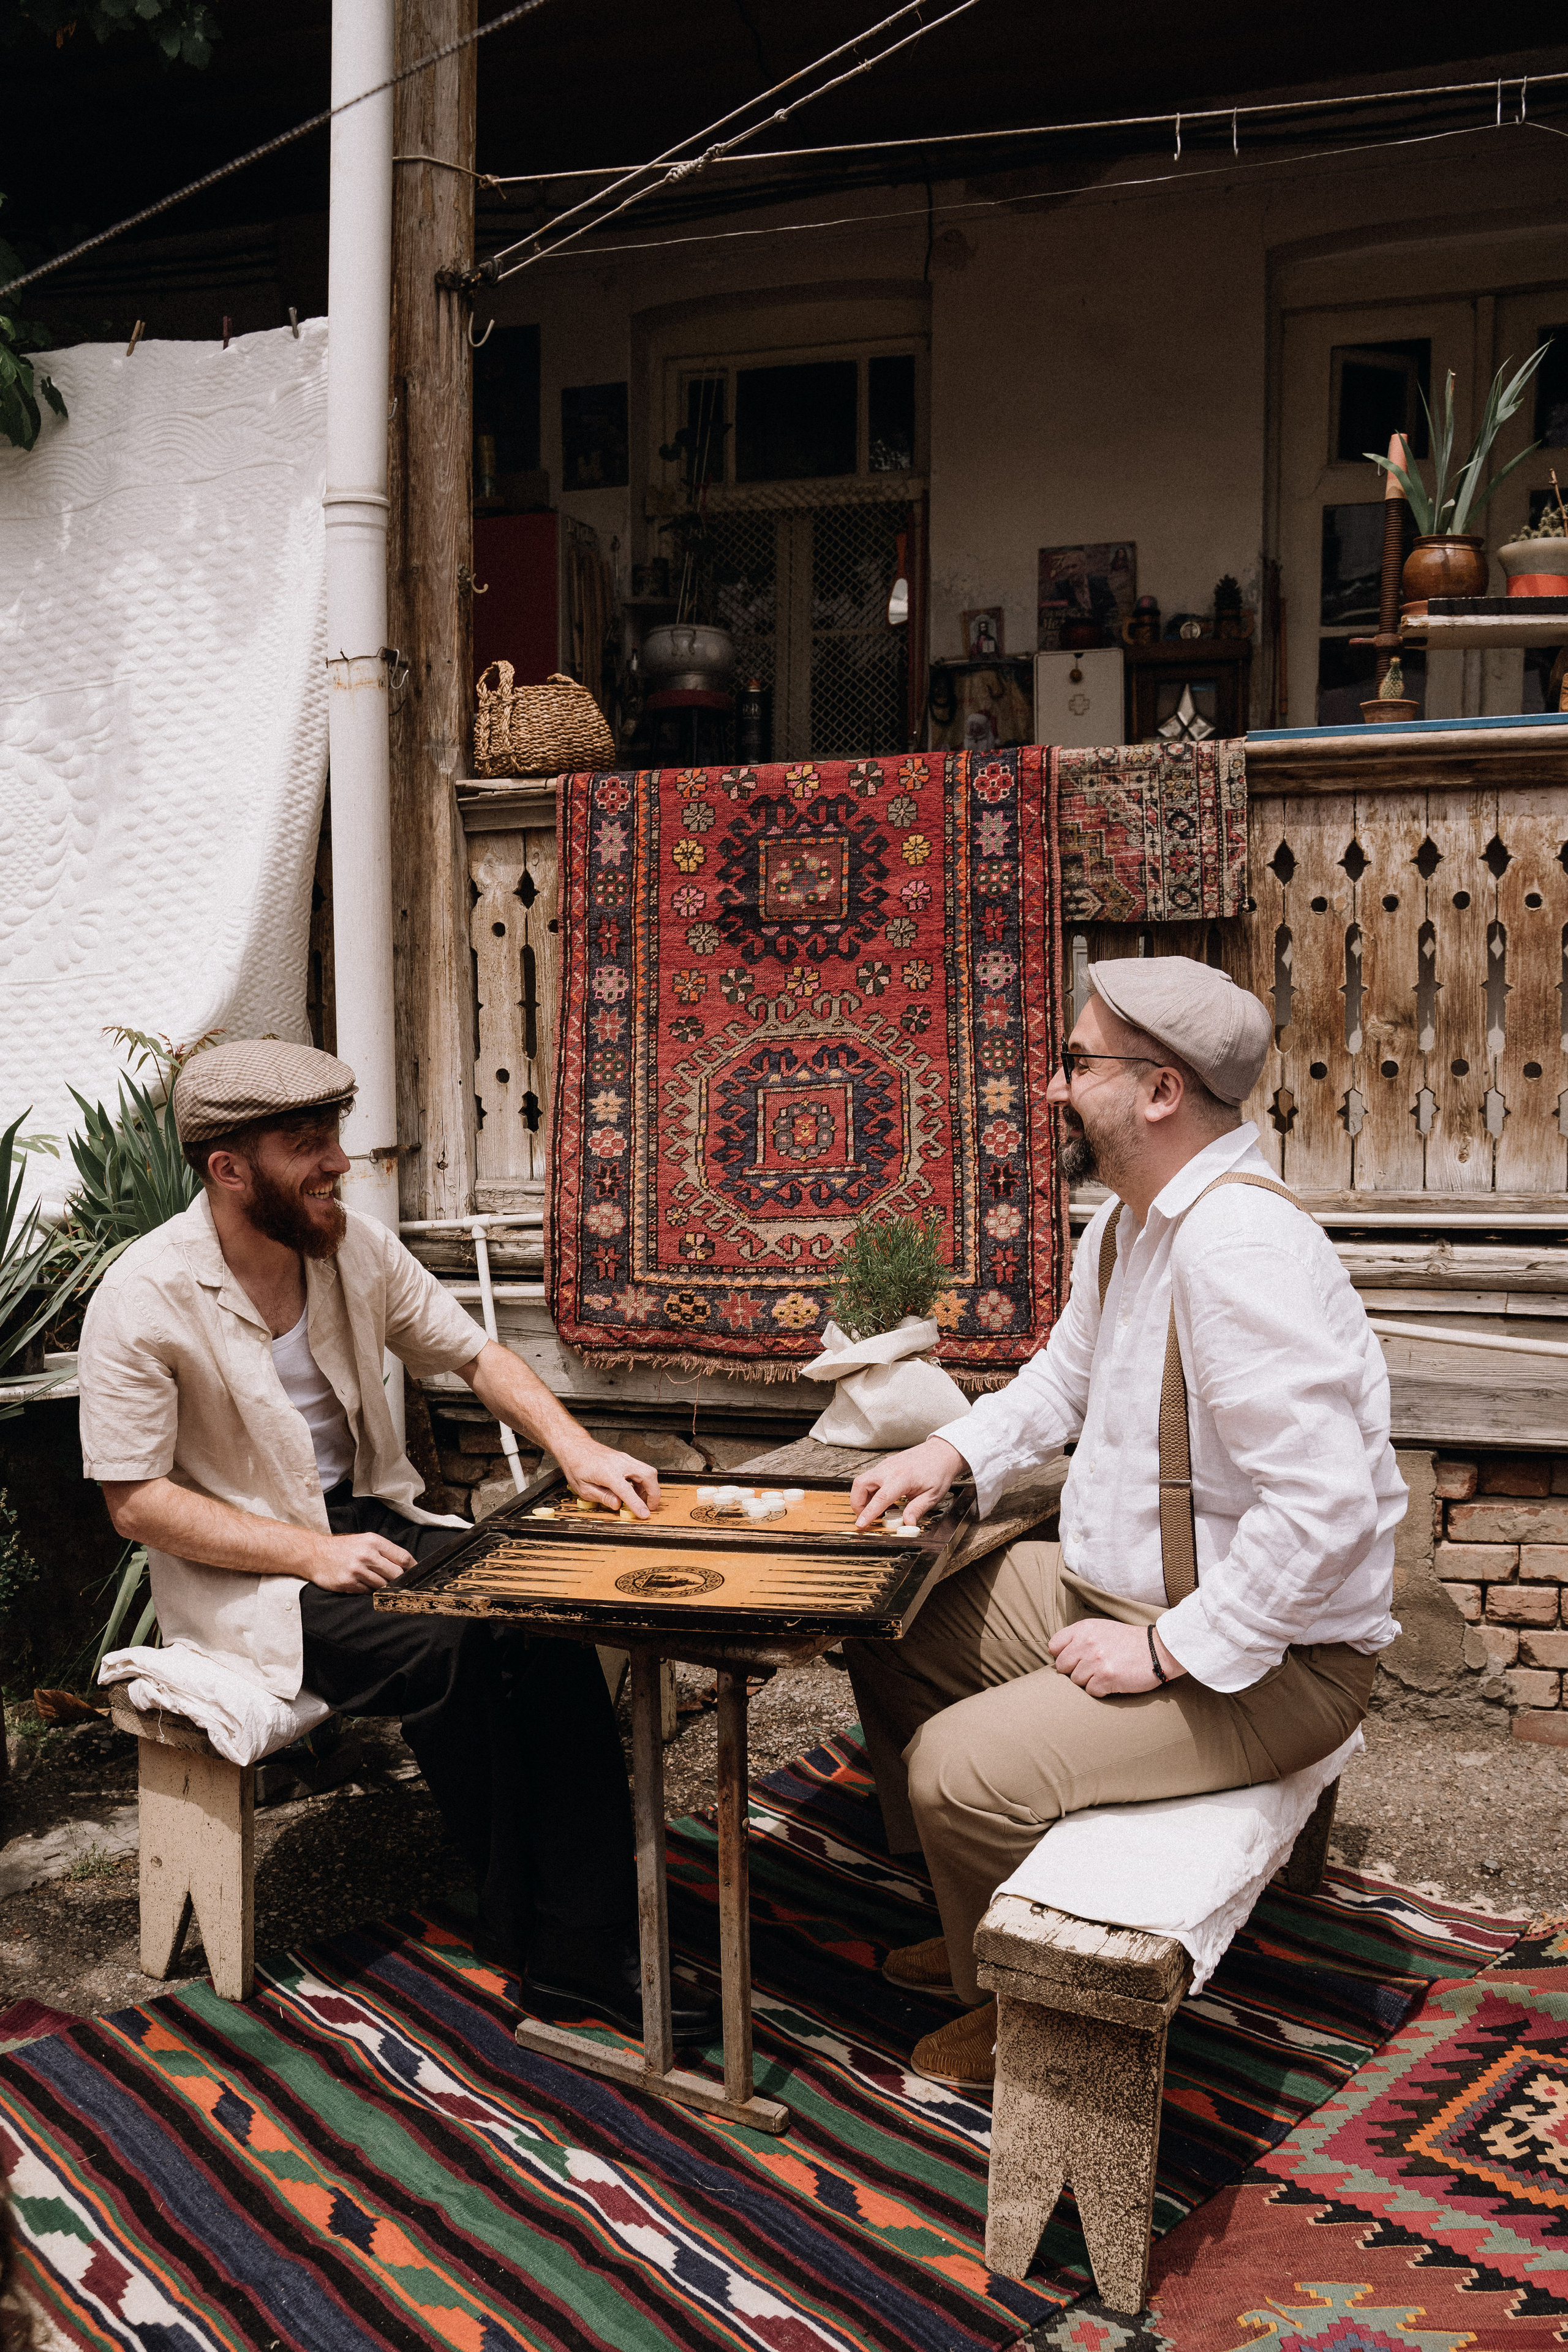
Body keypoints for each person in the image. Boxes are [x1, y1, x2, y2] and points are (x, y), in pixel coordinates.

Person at [77, 1038, 718, 2043]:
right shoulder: (141, 1296)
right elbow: (137, 1502)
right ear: (229, 1170)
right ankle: (562, 1947)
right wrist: (306, 1555)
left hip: (369, 1524)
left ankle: (583, 1918)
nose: (339, 1160)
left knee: (540, 1613)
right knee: (452, 1646)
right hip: (251, 1576)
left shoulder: (349, 1245)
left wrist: (576, 1445)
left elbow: (472, 1350)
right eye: (307, 1143)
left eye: (333, 1132)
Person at [845, 958, 1404, 2090]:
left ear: (1159, 1093)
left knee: (960, 1771)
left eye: (1075, 1063)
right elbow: (1064, 1379)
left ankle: (1027, 2007)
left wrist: (1165, 1649)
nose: (1053, 1088)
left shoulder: (1235, 1249)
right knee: (883, 1610)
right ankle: (979, 1928)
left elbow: (1326, 1506)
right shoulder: (1132, 1224)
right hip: (1125, 1592)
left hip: (1279, 1661)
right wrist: (952, 1450)